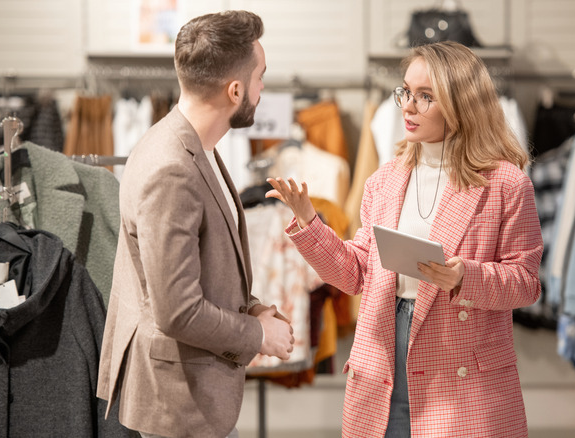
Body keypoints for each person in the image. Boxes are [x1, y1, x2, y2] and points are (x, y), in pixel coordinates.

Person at [267, 41, 543, 437]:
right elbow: (355, 273)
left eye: (425, 96)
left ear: (461, 102)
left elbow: (526, 283)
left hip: (460, 368)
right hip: (383, 354)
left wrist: (465, 277)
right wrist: (310, 221)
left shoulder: (506, 184)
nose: (407, 107)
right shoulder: (384, 180)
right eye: (406, 92)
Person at [97, 11, 294, 438]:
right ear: (235, 89)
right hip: (178, 404)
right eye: (261, 78)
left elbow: (194, 268)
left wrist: (252, 304)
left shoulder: (191, 146)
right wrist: (258, 334)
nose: (262, 90)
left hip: (191, 394)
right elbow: (177, 309)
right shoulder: (172, 166)